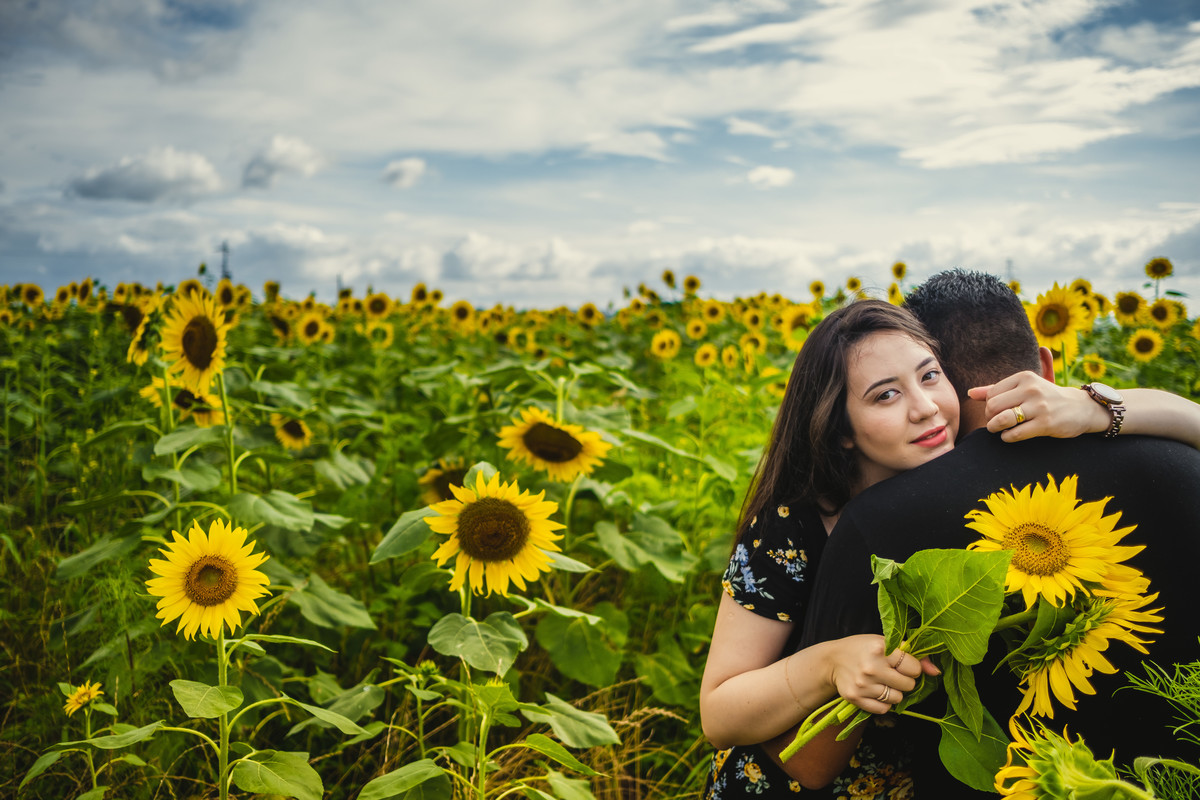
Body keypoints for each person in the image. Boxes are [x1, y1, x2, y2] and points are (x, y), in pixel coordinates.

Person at [697, 296, 1179, 798]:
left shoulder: (967, 505)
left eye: (929, 376)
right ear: (841, 429)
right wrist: (828, 665)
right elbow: (718, 712)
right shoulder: (792, 524)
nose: (924, 407)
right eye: (886, 396)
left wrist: (1090, 406)